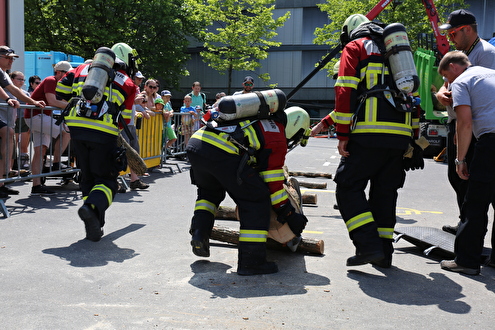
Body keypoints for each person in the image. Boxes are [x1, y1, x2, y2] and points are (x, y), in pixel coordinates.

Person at [332, 14, 421, 268]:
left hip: (368, 134)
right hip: (399, 137)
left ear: (350, 31)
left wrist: (343, 134)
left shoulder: (356, 46)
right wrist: (413, 138)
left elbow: (345, 89)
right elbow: (413, 96)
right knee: (385, 193)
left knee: (348, 187)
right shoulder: (398, 51)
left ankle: (368, 246)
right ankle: (384, 253)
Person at [186, 106, 309, 275]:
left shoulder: (261, 121)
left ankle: (199, 233)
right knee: (256, 200)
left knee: (209, 193)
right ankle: (252, 261)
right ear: (296, 128)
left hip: (197, 144)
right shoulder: (276, 134)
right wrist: (288, 213)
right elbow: (273, 183)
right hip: (222, 151)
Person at [56, 43, 141, 242]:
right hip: (104, 134)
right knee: (107, 181)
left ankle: (94, 225)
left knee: (88, 178)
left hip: (77, 129)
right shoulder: (128, 82)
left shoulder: (80, 68)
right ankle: (89, 208)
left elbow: (60, 89)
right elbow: (127, 118)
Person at [436, 9, 495, 235]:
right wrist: (442, 94)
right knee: (457, 177)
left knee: (472, 182)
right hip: (460, 122)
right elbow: (446, 83)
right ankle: (465, 223)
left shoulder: (486, 54)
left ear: (467, 29)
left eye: (453, 33)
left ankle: (471, 230)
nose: (450, 39)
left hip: (477, 129)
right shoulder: (459, 55)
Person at [437, 51, 495, 275]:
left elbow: (464, 123)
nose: (448, 84)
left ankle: (467, 261)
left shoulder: (462, 81)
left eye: (446, 77)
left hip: (490, 142)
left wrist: (460, 159)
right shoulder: (490, 74)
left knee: (475, 203)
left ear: (453, 67)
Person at [0, 46, 46, 195]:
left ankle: (2, 181)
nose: (11, 61)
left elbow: (15, 90)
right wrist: (8, 99)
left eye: (13, 58)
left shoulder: (4, 73)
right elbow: (10, 91)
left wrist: (33, 102)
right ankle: (6, 172)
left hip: (6, 118)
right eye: (8, 57)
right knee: (8, 133)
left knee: (8, 135)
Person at [25, 60, 72, 195]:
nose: (68, 76)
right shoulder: (51, 80)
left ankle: (36, 186)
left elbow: (59, 102)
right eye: (67, 74)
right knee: (67, 132)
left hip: (37, 117)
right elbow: (52, 101)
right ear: (58, 72)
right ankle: (57, 162)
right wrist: (72, 105)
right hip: (37, 117)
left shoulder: (57, 82)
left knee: (40, 151)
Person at [8, 71, 31, 171]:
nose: (21, 82)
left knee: (24, 144)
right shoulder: (7, 92)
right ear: (12, 79)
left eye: (23, 80)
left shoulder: (25, 93)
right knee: (13, 144)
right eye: (19, 79)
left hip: (23, 119)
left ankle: (24, 165)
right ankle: (10, 167)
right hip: (12, 119)